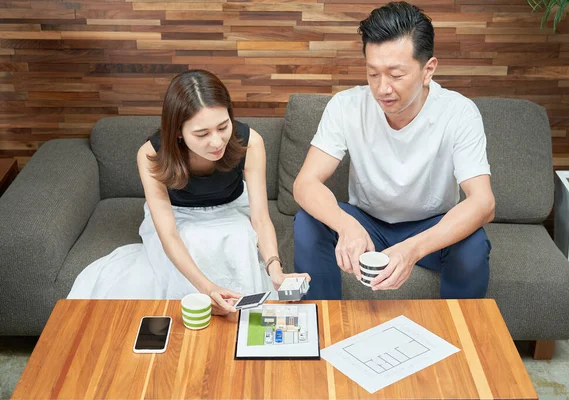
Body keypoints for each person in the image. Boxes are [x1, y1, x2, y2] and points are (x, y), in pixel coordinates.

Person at [292, 1, 495, 300]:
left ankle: (457, 340)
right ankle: (323, 328)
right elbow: (304, 184)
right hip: (367, 221)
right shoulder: (346, 106)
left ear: (428, 70)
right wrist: (346, 225)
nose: (382, 88)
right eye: (373, 74)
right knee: (308, 222)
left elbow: (483, 203)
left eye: (396, 75)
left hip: (431, 226)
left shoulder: (459, 112)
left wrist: (412, 249)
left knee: (473, 245)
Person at [68, 70, 310, 314]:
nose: (217, 142)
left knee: (238, 239)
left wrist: (275, 269)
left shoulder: (250, 141)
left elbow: (260, 218)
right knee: (192, 241)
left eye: (223, 127)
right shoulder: (151, 154)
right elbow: (169, 235)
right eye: (202, 134)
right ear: (177, 132)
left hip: (232, 207)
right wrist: (208, 288)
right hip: (177, 214)